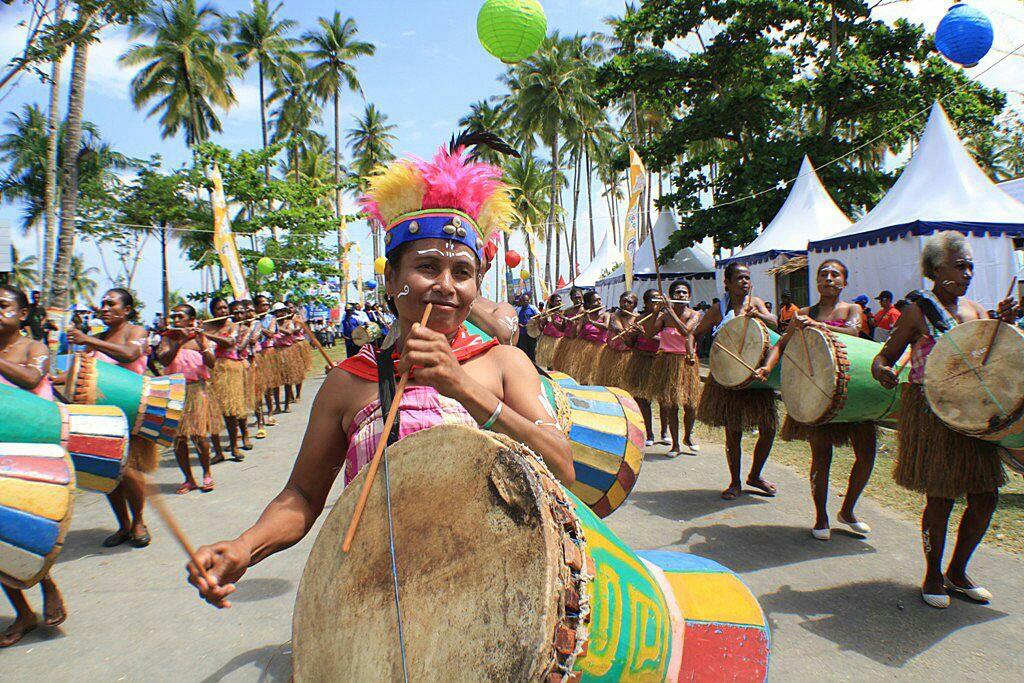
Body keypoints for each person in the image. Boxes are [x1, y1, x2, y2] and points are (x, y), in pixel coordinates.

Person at [186, 135, 574, 607]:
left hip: (492, 595)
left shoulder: (503, 362)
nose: (445, 286)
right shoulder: (347, 382)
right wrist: (246, 545)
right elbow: (303, 498)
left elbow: (562, 465)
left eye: (462, 272)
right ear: (391, 280)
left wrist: (462, 386)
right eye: (427, 267)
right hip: (380, 593)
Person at [872, 231, 1013, 609]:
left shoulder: (976, 311)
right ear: (936, 268)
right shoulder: (918, 310)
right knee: (942, 497)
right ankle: (932, 574)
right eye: (959, 265)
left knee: (985, 497)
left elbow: (990, 360)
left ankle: (958, 571)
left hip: (973, 414)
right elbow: (884, 357)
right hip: (934, 414)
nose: (967, 273)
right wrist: (883, 371)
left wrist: (1004, 325)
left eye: (971, 266)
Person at [756, 260, 875, 539]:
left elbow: (854, 331)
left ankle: (847, 511)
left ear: (844, 282)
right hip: (818, 393)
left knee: (867, 454)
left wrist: (816, 325)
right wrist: (768, 366)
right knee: (821, 457)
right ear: (817, 282)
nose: (829, 278)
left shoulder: (852, 310)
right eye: (824, 275)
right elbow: (781, 344)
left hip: (854, 389)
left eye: (835, 275)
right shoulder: (803, 313)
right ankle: (821, 517)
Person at [0, 285, 67, 646]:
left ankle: (47, 584)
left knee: (27, 531)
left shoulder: (34, 348)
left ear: (23, 314)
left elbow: (29, 378)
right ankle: (23, 613)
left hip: (33, 457)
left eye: (3, 306)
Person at [64, 288, 155, 548]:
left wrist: (89, 341)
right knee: (108, 472)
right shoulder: (97, 338)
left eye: (111, 304)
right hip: (101, 417)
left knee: (130, 470)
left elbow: (129, 354)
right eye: (102, 304)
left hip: (131, 412)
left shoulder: (136, 332)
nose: (104, 308)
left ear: (126, 310)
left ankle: (138, 521)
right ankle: (123, 525)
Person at [689, 263, 779, 500]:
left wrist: (759, 314)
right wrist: (692, 352)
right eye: (739, 278)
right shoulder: (719, 308)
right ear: (727, 283)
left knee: (769, 429)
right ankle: (735, 482)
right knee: (734, 432)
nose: (745, 282)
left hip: (757, 376)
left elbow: (775, 322)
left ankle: (755, 475)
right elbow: (695, 332)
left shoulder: (756, 302)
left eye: (747, 278)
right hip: (729, 377)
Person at [158, 304, 218, 494]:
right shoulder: (167, 338)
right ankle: (188, 479)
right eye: (173, 317)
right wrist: (178, 342)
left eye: (180, 317)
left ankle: (206, 473)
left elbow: (212, 364)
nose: (175, 320)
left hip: (195, 391)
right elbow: (164, 361)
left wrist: (201, 344)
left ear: (190, 320)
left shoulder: (199, 338)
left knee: (199, 436)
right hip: (174, 392)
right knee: (179, 438)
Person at [653, 280, 702, 457]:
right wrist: (656, 312)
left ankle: (687, 437)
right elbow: (650, 332)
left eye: (684, 293)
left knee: (690, 405)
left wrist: (671, 312)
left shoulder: (694, 314)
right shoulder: (665, 315)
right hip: (667, 361)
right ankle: (675, 445)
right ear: (671, 296)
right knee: (671, 404)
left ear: (688, 296)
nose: (681, 295)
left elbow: (685, 331)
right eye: (677, 293)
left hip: (687, 362)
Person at [204, 297, 251, 462]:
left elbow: (229, 342)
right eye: (219, 308)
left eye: (225, 308)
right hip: (210, 371)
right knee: (213, 413)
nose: (223, 311)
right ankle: (217, 452)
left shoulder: (234, 326)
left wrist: (205, 334)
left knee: (232, 412)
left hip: (230, 370)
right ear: (212, 311)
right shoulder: (206, 326)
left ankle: (235, 445)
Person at [621, 289, 663, 445]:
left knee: (662, 399)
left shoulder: (665, 318)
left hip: (658, 360)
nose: (657, 303)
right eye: (653, 300)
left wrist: (645, 333)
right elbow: (632, 343)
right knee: (641, 399)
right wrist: (627, 337)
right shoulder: (639, 318)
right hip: (640, 359)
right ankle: (649, 433)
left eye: (659, 299)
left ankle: (664, 433)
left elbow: (665, 340)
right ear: (646, 303)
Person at [597, 292, 637, 388]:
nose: (626, 304)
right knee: (609, 385)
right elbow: (613, 327)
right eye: (624, 301)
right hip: (611, 354)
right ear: (619, 302)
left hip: (628, 357)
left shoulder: (637, 318)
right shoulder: (611, 316)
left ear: (634, 305)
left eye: (629, 302)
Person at [572, 290, 609, 385]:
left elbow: (606, 327)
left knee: (599, 376)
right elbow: (577, 332)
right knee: (585, 375)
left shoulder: (605, 314)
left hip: (600, 348)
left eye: (599, 299)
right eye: (596, 301)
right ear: (589, 303)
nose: (599, 302)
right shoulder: (585, 315)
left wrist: (592, 322)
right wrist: (576, 324)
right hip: (585, 348)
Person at [550, 286, 584, 375]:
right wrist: (554, 321)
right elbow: (562, 328)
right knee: (564, 369)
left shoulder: (585, 312)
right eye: (575, 298)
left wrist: (575, 325)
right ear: (571, 299)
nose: (578, 300)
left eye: (579, 297)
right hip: (566, 342)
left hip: (579, 344)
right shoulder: (568, 311)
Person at [534, 294, 566, 369]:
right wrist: (538, 321)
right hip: (548, 341)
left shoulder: (563, 313)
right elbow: (541, 329)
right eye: (557, 301)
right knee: (550, 364)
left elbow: (564, 327)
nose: (559, 303)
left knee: (559, 363)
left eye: (560, 301)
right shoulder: (547, 313)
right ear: (551, 303)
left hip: (559, 340)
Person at [513, 292, 539, 361]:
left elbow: (539, 317)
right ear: (521, 301)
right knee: (524, 352)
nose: (526, 302)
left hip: (532, 334)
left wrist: (534, 323)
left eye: (527, 300)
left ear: (529, 300)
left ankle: (534, 367)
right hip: (522, 334)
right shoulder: (518, 310)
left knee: (532, 351)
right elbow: (515, 320)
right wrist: (519, 324)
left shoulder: (533, 308)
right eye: (524, 301)